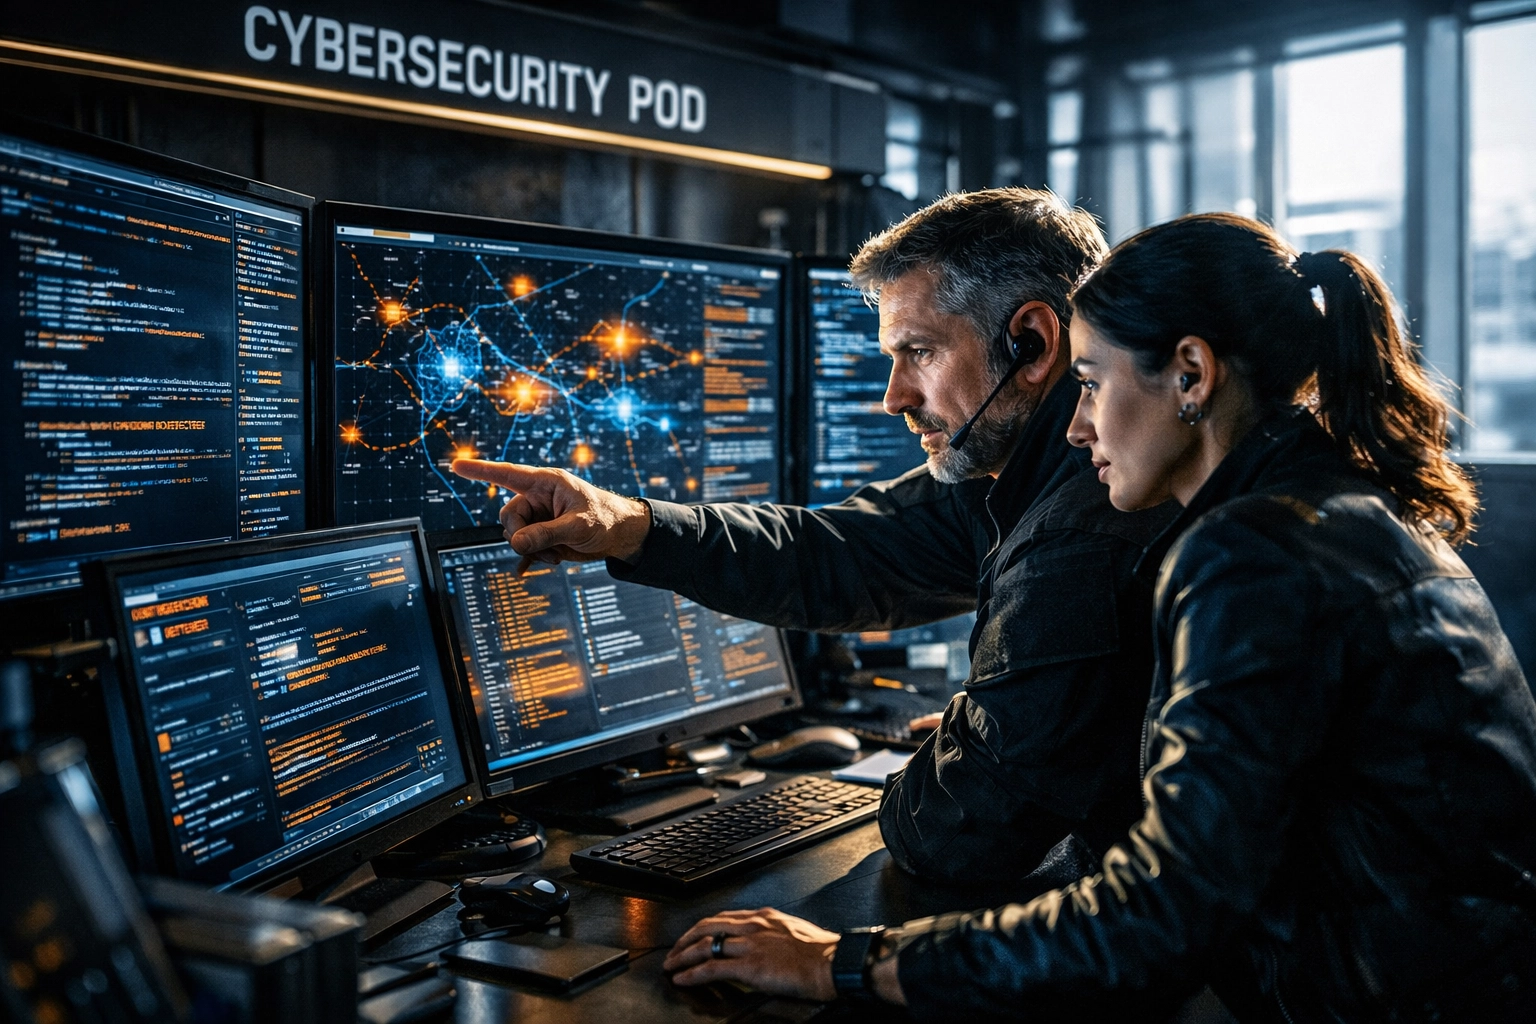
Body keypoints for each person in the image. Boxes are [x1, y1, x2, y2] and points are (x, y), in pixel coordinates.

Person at [660, 214, 1536, 1021]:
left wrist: (847, 962)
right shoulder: (1330, 503)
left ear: (1189, 375)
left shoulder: (1251, 551)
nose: (1077, 429)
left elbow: (1155, 919)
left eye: (1090, 383)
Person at [453, 188, 1176, 887]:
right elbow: (846, 551)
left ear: (1033, 343)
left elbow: (953, 834)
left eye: (918, 351)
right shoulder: (1026, 476)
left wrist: (968, 748)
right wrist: (632, 525)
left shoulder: (1082, 530)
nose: (894, 396)